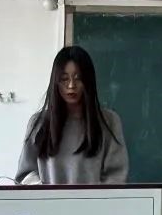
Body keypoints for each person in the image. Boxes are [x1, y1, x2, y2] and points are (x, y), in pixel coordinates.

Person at [16, 45, 129, 185]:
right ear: (55, 82)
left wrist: (92, 197)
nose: (71, 85)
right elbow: (25, 175)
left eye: (78, 78)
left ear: (88, 81)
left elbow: (116, 176)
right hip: (48, 200)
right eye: (64, 79)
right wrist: (45, 193)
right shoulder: (38, 123)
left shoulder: (109, 121)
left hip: (95, 200)